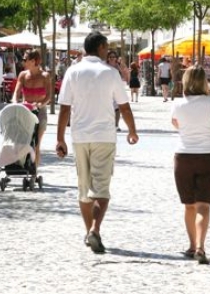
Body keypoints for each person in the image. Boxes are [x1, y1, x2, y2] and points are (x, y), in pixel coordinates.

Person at [56, 31, 139, 254]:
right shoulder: (110, 73)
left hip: (80, 136)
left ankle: (89, 232)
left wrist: (60, 138)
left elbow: (64, 107)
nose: (107, 50)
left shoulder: (72, 71)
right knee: (101, 188)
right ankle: (94, 229)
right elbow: (124, 106)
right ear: (101, 47)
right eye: (106, 47)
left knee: (84, 189)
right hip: (104, 136)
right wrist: (132, 131)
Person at [171, 65, 210, 265]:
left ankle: (191, 245)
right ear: (204, 81)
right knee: (203, 205)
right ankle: (200, 246)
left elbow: (176, 124)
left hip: (183, 157)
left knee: (189, 205)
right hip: (208, 157)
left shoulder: (178, 104)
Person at [13, 49, 52, 169]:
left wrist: (41, 104)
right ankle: (20, 164)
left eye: (25, 59)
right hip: (26, 110)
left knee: (36, 143)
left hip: (40, 111)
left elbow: (49, 96)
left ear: (34, 61)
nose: (23, 61)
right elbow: (16, 92)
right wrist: (15, 102)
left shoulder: (45, 76)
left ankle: (34, 170)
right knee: (22, 140)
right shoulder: (23, 75)